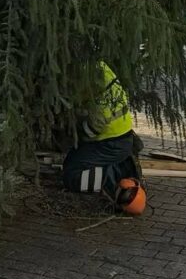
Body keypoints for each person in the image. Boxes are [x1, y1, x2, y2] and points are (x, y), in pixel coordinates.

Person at [62, 62, 146, 215]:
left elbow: (90, 130)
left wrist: (71, 131)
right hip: (116, 139)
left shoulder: (92, 79)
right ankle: (119, 168)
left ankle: (112, 179)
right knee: (71, 161)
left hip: (110, 143)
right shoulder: (98, 67)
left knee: (71, 176)